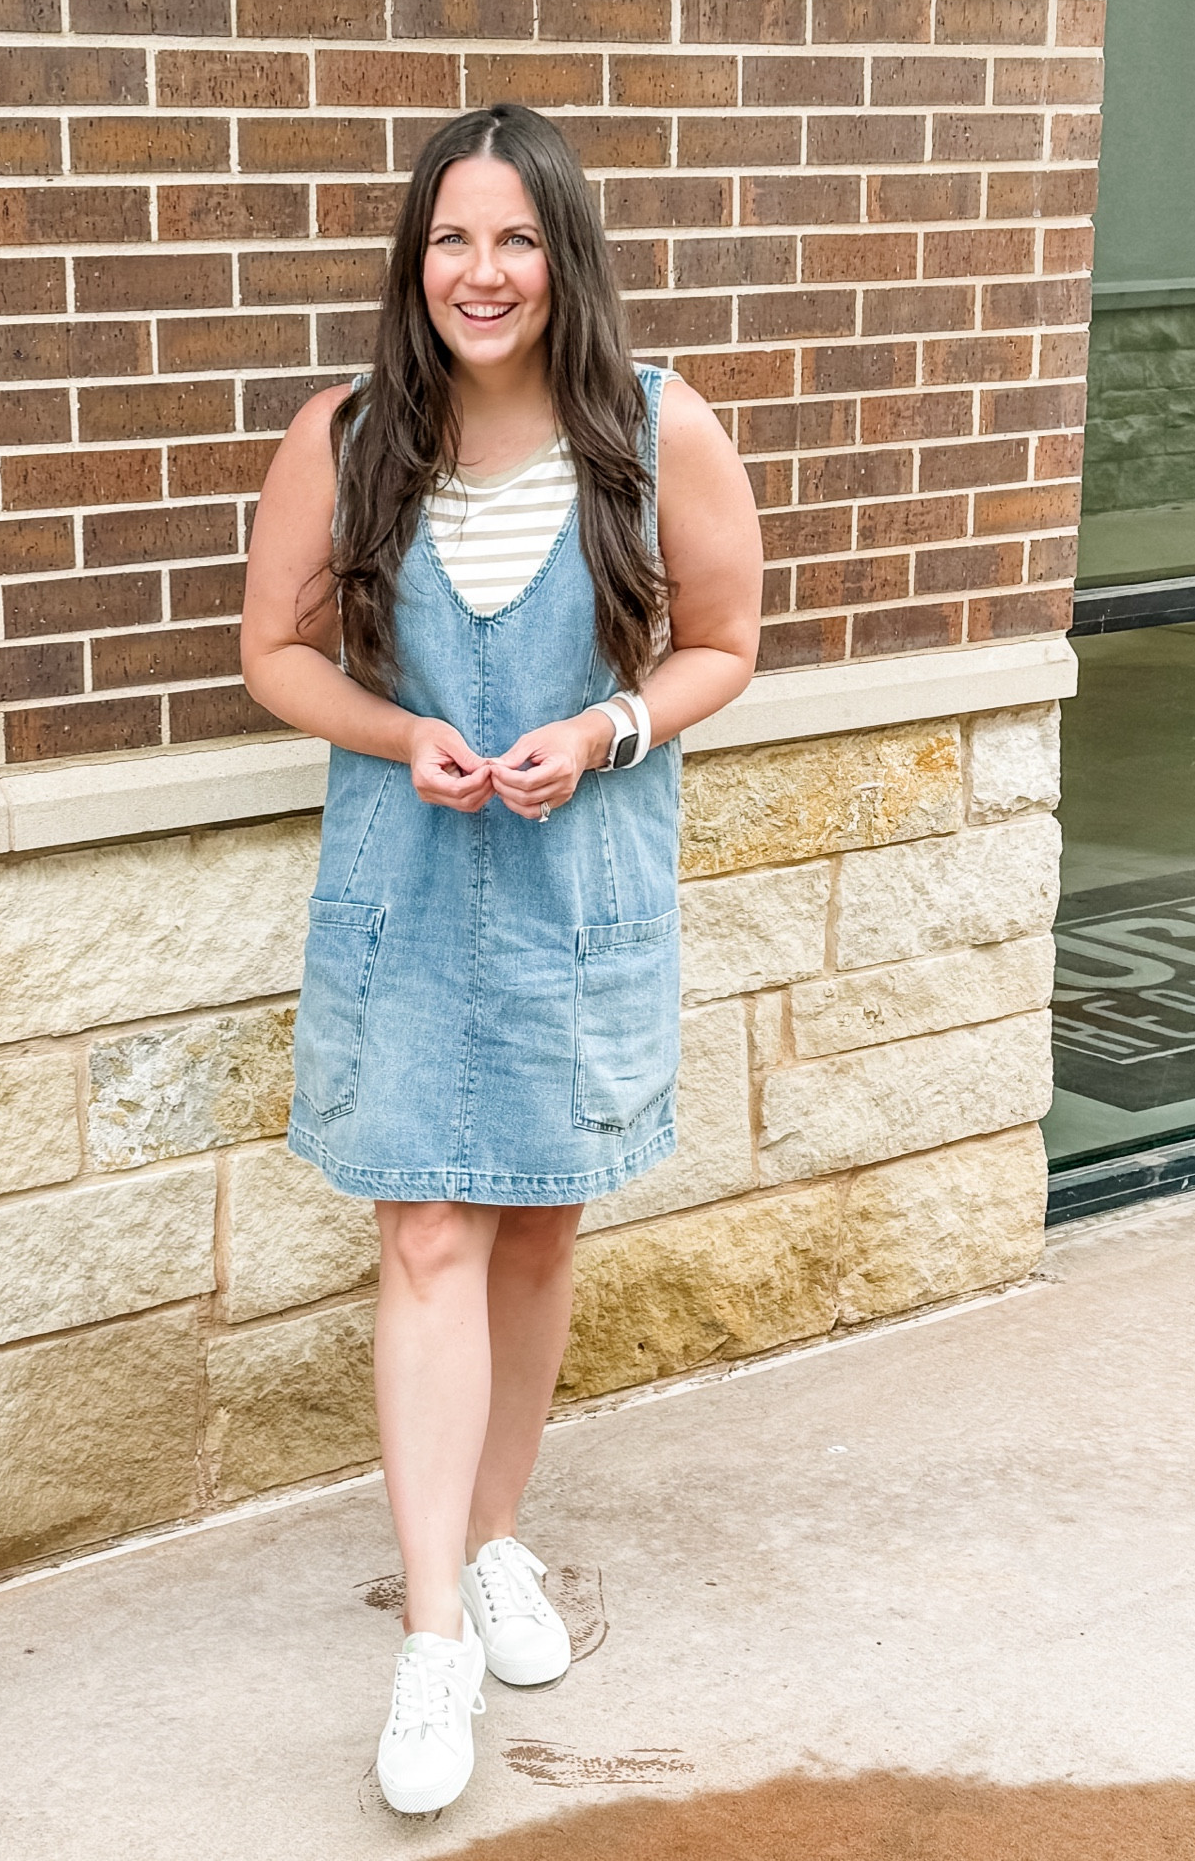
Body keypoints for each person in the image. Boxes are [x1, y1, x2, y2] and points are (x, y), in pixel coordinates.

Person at [241, 102, 762, 1816]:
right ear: (417, 259)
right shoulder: (345, 436)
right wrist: (400, 733)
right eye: (453, 239)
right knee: (425, 1232)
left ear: (563, 256)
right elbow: (274, 653)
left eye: (517, 239)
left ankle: (492, 1536)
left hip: (574, 892)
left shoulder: (658, 430)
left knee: (536, 1220)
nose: (483, 272)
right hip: (405, 890)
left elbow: (725, 642)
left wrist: (608, 727)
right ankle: (431, 1638)